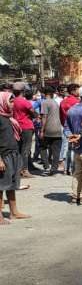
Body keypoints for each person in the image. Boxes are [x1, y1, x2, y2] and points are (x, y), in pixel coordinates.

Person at [0, 92, 31, 224]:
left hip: (13, 155)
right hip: (3, 156)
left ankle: (14, 212)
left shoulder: (8, 117)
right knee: (1, 187)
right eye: (10, 101)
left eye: (13, 101)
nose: (13, 104)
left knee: (12, 185)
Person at [39, 86, 63, 175]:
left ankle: (46, 167)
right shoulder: (55, 102)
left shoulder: (44, 102)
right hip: (57, 128)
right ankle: (54, 169)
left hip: (48, 129)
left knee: (42, 147)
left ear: (44, 93)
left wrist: (42, 130)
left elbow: (44, 117)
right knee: (56, 150)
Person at [60, 84, 80, 175]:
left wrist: (65, 126)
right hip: (75, 127)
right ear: (73, 91)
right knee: (74, 149)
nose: (79, 92)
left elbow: (61, 117)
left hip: (66, 126)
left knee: (68, 148)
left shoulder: (63, 102)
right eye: (77, 90)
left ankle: (66, 169)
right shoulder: (77, 102)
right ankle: (73, 169)